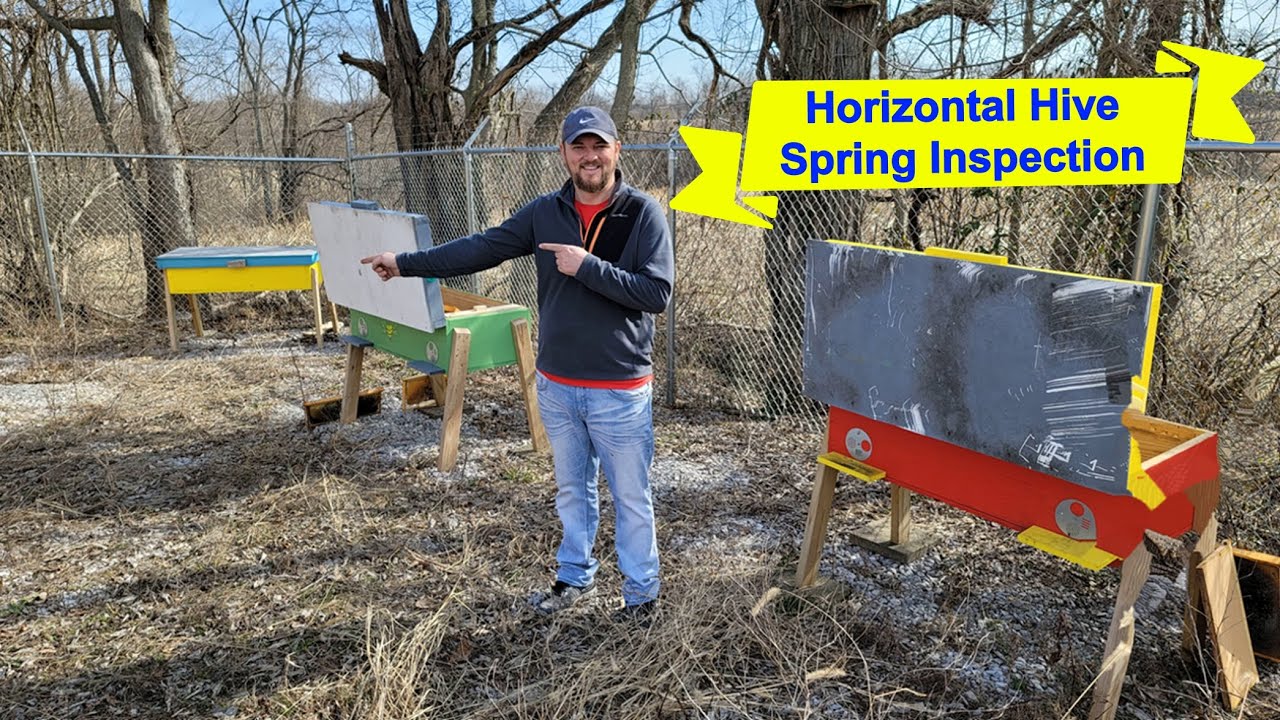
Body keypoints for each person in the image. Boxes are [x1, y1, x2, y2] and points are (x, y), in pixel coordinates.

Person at [361, 106, 673, 621]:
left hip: (619, 387)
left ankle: (642, 597)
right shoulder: (544, 212)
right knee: (573, 491)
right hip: (556, 382)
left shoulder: (643, 214)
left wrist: (586, 266)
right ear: (564, 154)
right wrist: (405, 264)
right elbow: (481, 249)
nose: (589, 157)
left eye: (599, 146)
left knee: (631, 498)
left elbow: (655, 293)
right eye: (579, 147)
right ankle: (575, 577)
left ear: (617, 149)